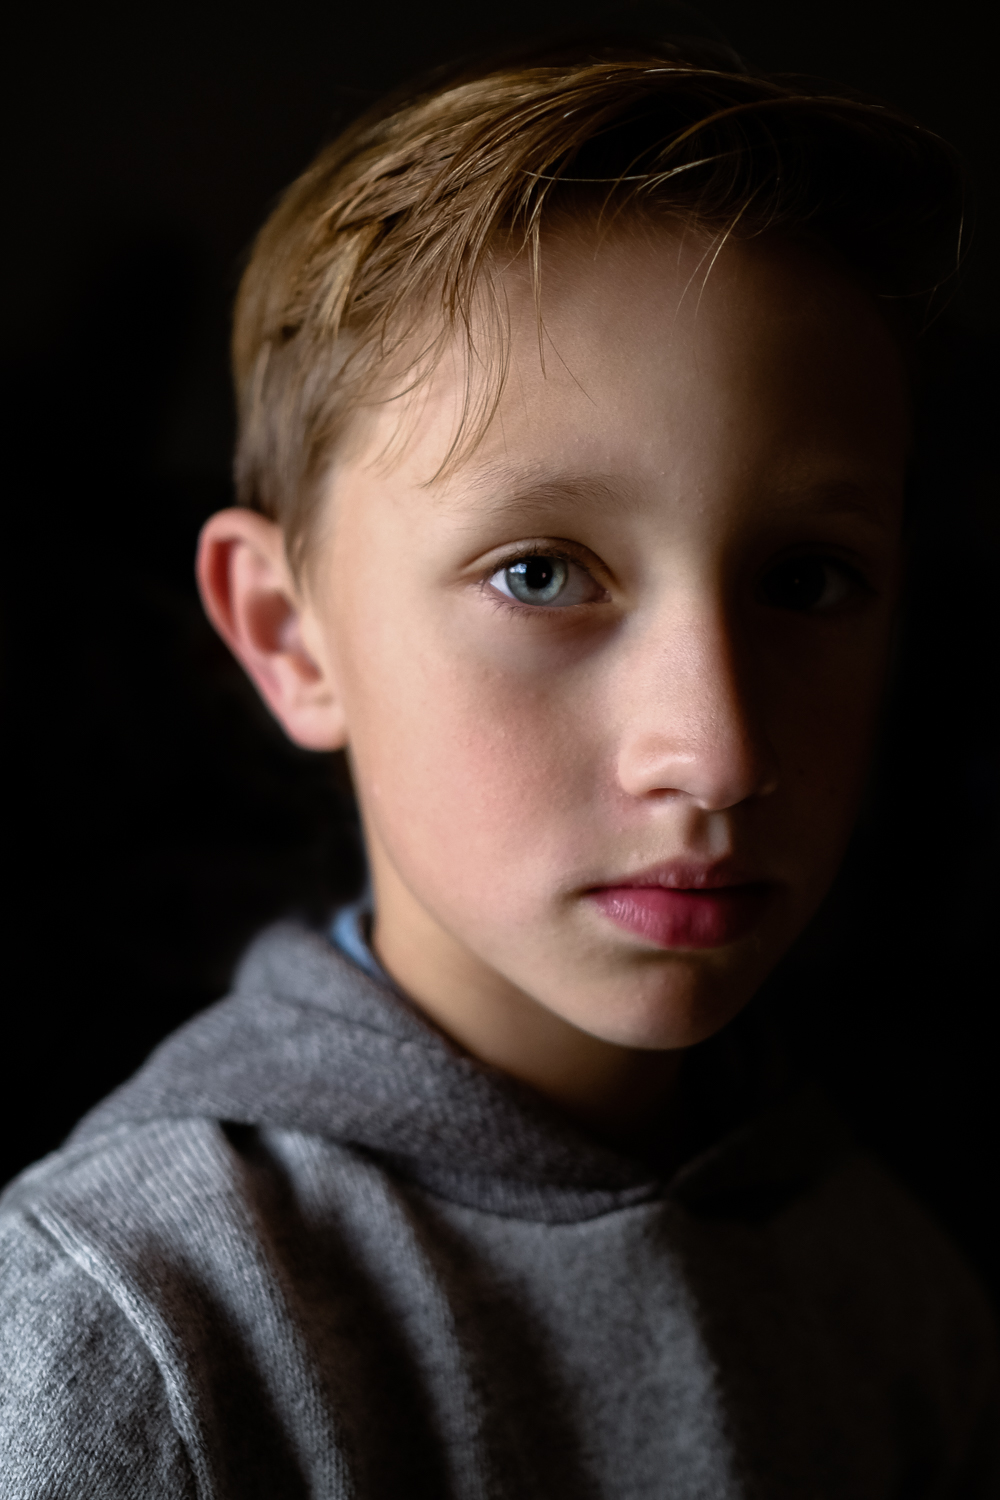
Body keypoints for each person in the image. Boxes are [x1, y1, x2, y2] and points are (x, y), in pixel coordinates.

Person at [1, 19, 997, 1496]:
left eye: (805, 581)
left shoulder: (901, 1284)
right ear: (289, 637)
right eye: (540, 573)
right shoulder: (133, 1328)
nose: (716, 755)